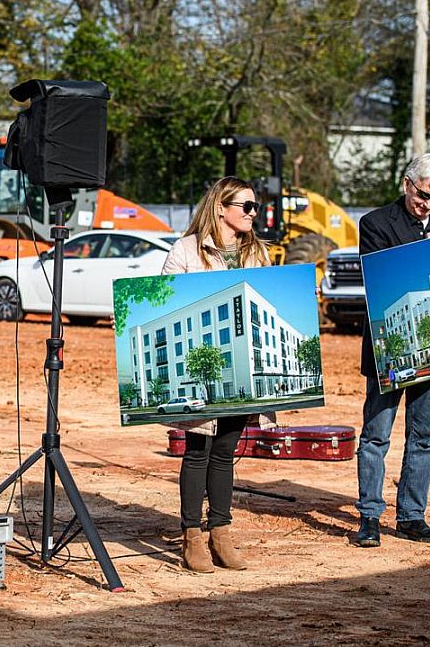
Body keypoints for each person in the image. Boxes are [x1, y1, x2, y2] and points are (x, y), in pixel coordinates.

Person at [161, 176, 274, 573]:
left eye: (255, 207)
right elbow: (164, 301)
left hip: (241, 370)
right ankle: (192, 537)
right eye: (246, 206)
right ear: (221, 207)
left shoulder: (258, 253)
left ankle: (220, 534)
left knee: (226, 452)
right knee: (197, 452)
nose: (253, 214)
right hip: (199, 369)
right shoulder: (187, 251)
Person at [353, 153, 430, 548]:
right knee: (376, 436)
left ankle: (413, 516)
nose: (428, 205)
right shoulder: (376, 223)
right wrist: (421, 246)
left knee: (423, 437)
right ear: (406, 183)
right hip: (389, 350)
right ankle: (369, 517)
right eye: (424, 195)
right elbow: (378, 275)